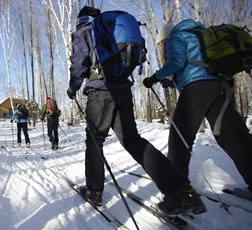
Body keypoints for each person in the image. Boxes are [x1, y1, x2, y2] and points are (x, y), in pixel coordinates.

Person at [67, 6, 207, 214]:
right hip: (123, 90)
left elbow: (79, 65)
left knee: (95, 141)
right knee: (133, 140)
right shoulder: (111, 30)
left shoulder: (85, 31)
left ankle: (94, 191)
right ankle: (180, 190)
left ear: (80, 21)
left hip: (100, 94)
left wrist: (72, 88)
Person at [143, 19, 252, 201]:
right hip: (220, 87)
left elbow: (177, 63)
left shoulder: (175, 37)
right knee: (234, 137)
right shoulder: (197, 35)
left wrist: (154, 77)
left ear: (163, 40)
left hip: (197, 90)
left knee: (179, 141)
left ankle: (179, 196)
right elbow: (195, 66)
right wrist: (172, 82)